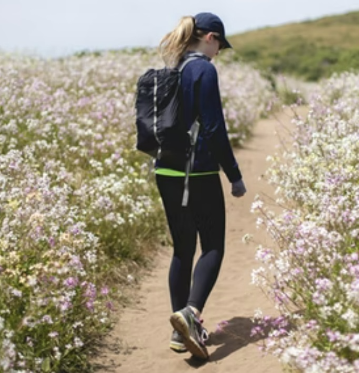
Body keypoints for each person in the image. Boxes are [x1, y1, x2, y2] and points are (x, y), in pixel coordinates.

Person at [155, 12, 247, 360]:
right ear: (209, 37)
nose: (220, 51)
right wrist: (234, 175)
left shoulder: (171, 69)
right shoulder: (202, 69)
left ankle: (180, 334)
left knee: (182, 249)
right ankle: (191, 314)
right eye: (220, 44)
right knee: (212, 247)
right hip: (199, 172)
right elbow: (214, 128)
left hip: (166, 170)